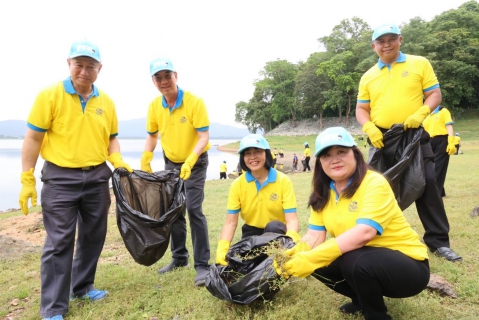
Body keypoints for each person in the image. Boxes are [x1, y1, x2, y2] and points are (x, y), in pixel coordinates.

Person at [18, 40, 133, 320]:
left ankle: (81, 288)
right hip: (60, 178)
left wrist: (116, 159)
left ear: (99, 69)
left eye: (90, 66)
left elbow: (112, 139)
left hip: (97, 177)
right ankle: (53, 309)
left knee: (94, 236)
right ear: (68, 64)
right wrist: (27, 177)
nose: (84, 71)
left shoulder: (106, 102)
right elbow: (33, 138)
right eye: (78, 64)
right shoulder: (49, 96)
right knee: (59, 242)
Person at [281, 127, 430, 320]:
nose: (334, 159)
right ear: (320, 162)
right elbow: (315, 237)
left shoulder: (374, 183)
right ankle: (360, 300)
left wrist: (310, 258)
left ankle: (377, 315)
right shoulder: (323, 193)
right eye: (327, 155)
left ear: (355, 154)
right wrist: (295, 253)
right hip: (365, 259)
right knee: (316, 258)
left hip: (409, 268)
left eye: (341, 152)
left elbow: (365, 233)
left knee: (352, 259)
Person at [355, 23, 461, 262]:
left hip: (413, 133)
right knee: (378, 188)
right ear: (373, 46)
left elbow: (434, 93)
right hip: (381, 139)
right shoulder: (368, 76)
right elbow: (362, 109)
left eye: (391, 39)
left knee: (429, 183)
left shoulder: (419, 63)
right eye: (381, 41)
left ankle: (438, 242)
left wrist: (422, 113)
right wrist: (368, 127)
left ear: (400, 40)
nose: (387, 44)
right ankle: (377, 238)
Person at [141, 57, 211, 286]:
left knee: (193, 208)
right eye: (158, 77)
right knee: (175, 210)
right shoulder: (154, 106)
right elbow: (152, 135)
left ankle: (202, 265)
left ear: (176, 76)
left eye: (167, 76)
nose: (163, 81)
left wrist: (191, 159)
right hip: (171, 162)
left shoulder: (194, 102)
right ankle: (179, 258)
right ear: (153, 81)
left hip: (195, 161)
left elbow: (203, 136)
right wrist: (146, 158)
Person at [216, 134, 300, 265]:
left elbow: (292, 219)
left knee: (274, 232)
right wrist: (222, 248)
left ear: (266, 154)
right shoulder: (237, 184)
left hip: (277, 231)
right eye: (247, 153)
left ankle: (282, 259)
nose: (252, 157)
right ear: (243, 158)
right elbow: (230, 223)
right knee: (246, 264)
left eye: (257, 152)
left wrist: (291, 239)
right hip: (252, 231)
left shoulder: (283, 181)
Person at [423, 105, 456, 197]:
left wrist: (451, 142)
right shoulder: (427, 115)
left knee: (438, 166)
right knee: (429, 167)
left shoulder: (443, 111)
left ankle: (433, 193)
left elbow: (449, 126)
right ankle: (440, 191)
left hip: (442, 140)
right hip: (429, 141)